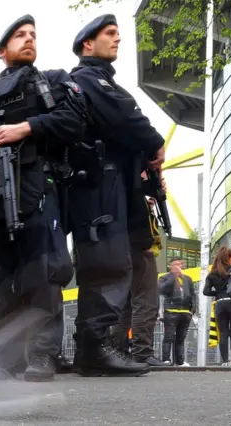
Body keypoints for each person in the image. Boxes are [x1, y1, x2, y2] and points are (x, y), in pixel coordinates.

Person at [0, 14, 85, 383]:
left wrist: (27, 127)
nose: (29, 40)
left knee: (42, 275)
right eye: (19, 36)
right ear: (2, 51)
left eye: (33, 35)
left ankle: (42, 355)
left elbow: (75, 121)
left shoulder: (54, 82)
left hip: (38, 190)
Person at [67, 14, 165, 376]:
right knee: (106, 264)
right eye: (109, 34)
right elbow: (125, 120)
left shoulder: (100, 81)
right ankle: (93, 349)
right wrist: (156, 143)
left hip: (113, 184)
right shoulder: (88, 79)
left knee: (113, 264)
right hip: (100, 185)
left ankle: (93, 349)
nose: (118, 39)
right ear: (87, 44)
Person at [113, 196, 165, 366]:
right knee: (145, 302)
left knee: (126, 306)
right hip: (140, 249)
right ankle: (142, 353)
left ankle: (117, 352)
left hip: (122, 249)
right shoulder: (135, 183)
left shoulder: (118, 187)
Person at [158, 256, 196, 366]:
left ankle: (179, 361)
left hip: (185, 312)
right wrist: (173, 276)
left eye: (179, 264)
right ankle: (166, 360)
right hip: (171, 311)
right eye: (175, 265)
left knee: (181, 338)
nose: (177, 267)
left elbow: (193, 295)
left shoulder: (188, 279)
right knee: (168, 337)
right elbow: (163, 290)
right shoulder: (164, 278)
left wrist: (192, 310)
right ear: (170, 266)